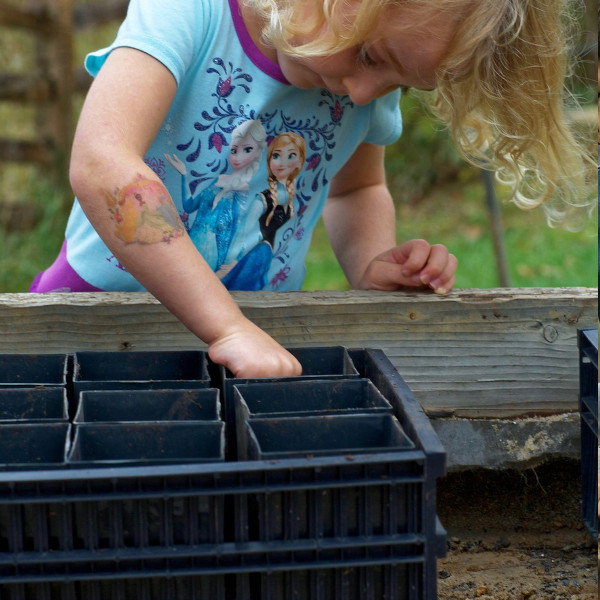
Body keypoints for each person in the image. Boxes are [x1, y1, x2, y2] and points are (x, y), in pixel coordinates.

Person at [30, 0, 593, 378]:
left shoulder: (360, 83)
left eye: (396, 81)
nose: (366, 92)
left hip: (255, 341)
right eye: (371, 56)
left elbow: (357, 189)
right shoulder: (190, 13)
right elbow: (104, 164)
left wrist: (372, 262)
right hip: (90, 327)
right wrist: (224, 324)